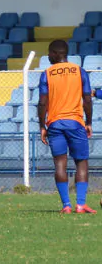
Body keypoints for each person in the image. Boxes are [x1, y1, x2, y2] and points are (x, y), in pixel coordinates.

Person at [38, 40, 96, 214]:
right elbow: (87, 99)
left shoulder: (47, 73)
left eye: (49, 53)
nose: (48, 56)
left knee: (60, 164)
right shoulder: (79, 71)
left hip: (55, 123)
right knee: (81, 162)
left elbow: (42, 102)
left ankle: (66, 205)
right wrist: (89, 122)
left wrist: (42, 125)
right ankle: (80, 204)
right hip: (75, 122)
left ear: (56, 53)